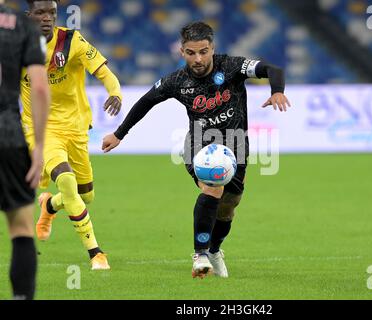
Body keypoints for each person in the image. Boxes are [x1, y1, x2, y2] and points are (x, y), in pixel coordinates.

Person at [102, 21, 290, 278]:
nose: (198, 58)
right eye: (191, 53)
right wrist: (119, 133)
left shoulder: (232, 66)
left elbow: (272, 68)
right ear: (182, 52)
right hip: (200, 145)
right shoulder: (177, 81)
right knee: (213, 186)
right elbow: (146, 102)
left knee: (229, 205)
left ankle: (214, 250)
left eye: (203, 51)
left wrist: (277, 91)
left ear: (212, 48)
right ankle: (200, 254)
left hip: (236, 144)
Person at [21, 0, 123, 270]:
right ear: (28, 15)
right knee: (66, 180)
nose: (47, 18)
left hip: (76, 128)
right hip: (40, 130)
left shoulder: (72, 41)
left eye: (52, 13)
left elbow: (104, 73)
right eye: (40, 13)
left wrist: (115, 92)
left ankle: (49, 206)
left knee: (85, 196)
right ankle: (96, 253)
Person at [0, 0, 50, 299]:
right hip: (8, 135)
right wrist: (40, 145)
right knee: (21, 229)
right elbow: (40, 88)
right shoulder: (24, 27)